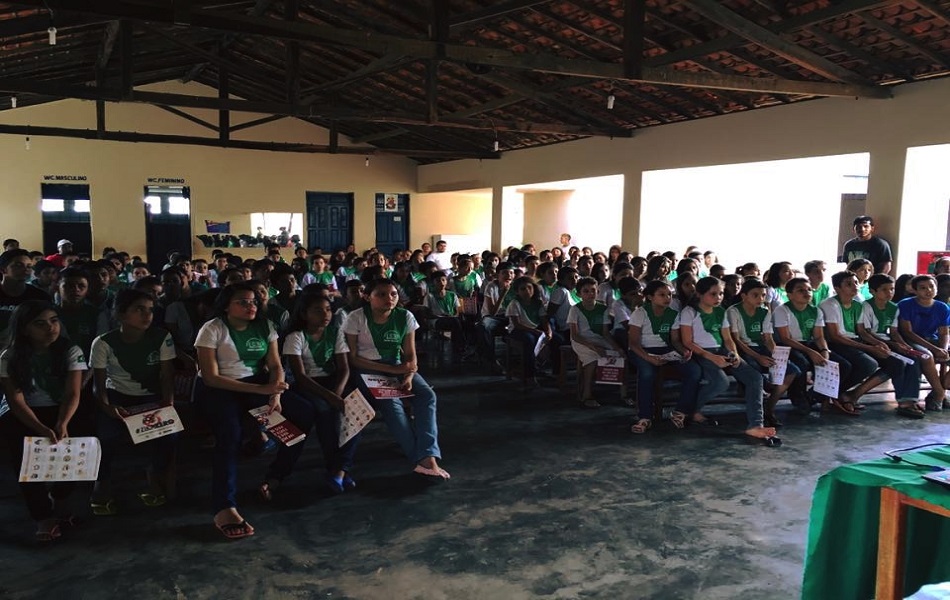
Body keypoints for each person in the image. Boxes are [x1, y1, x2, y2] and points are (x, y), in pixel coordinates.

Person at [193, 282, 306, 539]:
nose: (250, 306)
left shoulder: (265, 326)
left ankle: (275, 476)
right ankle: (224, 506)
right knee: (229, 435)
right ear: (226, 305)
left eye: (253, 301)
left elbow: (276, 365)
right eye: (242, 302)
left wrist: (275, 393)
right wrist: (262, 392)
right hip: (220, 389)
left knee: (303, 415)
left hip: (258, 384)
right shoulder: (212, 329)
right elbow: (210, 377)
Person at [343, 278, 449, 479]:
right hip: (368, 368)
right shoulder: (356, 318)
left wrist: (408, 376)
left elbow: (410, 357)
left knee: (427, 396)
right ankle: (424, 460)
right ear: (367, 297)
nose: (389, 299)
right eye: (381, 294)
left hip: (397, 365)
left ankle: (428, 453)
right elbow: (354, 359)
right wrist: (389, 369)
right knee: (391, 403)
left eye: (393, 294)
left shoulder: (405, 316)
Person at [0, 301, 86, 541]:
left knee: (72, 458)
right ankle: (43, 517)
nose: (50, 328)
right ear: (24, 329)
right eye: (40, 324)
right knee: (28, 467)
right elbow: (15, 400)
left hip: (63, 409)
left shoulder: (71, 350)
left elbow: (72, 394)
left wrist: (62, 423)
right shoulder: (9, 356)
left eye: (54, 320)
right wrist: (40, 428)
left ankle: (61, 503)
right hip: (23, 413)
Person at [89, 289, 177, 514]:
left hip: (151, 396)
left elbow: (166, 376)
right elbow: (99, 384)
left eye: (150, 310)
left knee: (169, 435)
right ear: (120, 314)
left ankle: (154, 474)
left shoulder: (161, 337)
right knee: (106, 437)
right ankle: (102, 482)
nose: (147, 315)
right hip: (117, 395)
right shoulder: (103, 343)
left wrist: (167, 404)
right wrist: (107, 407)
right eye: (139, 309)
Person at [677, 277, 778, 444]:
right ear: (700, 294)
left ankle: (755, 425)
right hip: (701, 353)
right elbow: (687, 342)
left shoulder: (721, 311)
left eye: (721, 294)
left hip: (721, 351)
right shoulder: (690, 312)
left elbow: (728, 338)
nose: (718, 297)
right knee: (720, 383)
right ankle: (691, 410)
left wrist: (734, 354)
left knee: (755, 378)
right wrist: (712, 357)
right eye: (713, 294)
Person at [276, 294, 359, 497]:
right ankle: (336, 469)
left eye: (328, 309)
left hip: (333, 382)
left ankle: (339, 469)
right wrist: (331, 398)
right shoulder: (295, 337)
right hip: (308, 385)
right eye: (318, 310)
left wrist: (337, 393)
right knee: (324, 411)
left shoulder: (335, 332)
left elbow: (344, 369)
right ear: (304, 314)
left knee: (355, 411)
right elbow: (300, 376)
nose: (325, 314)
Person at [820, 271, 901, 412]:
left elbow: (862, 331)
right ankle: (827, 394)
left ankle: (853, 395)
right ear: (837, 288)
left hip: (854, 341)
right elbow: (835, 336)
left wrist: (878, 343)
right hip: (836, 344)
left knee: (896, 362)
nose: (855, 286)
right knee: (868, 364)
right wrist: (869, 348)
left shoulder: (858, 305)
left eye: (856, 282)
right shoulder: (829, 304)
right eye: (849, 284)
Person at [726, 279, 802, 426]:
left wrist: (777, 355)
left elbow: (768, 338)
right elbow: (736, 340)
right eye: (755, 295)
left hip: (761, 348)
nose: (760, 299)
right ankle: (758, 410)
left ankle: (769, 408)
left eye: (763, 295)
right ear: (744, 296)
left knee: (791, 371)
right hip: (743, 349)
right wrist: (758, 357)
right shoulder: (733, 311)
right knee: (754, 369)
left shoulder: (765, 312)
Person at [857, 274, 934, 418]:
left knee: (913, 359)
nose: (889, 293)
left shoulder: (894, 307)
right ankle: (904, 402)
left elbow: (894, 332)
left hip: (887, 342)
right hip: (871, 343)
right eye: (884, 290)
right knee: (900, 362)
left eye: (891, 289)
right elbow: (865, 333)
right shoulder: (866, 306)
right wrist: (891, 344)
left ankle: (910, 399)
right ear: (873, 291)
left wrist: (904, 345)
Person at [627, 280, 699, 433]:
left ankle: (680, 412)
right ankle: (645, 416)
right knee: (647, 373)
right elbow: (633, 343)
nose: (667, 298)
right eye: (662, 295)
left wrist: (683, 351)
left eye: (669, 295)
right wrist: (649, 358)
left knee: (694, 371)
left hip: (665, 350)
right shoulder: (640, 313)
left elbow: (675, 340)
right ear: (650, 297)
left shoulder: (673, 314)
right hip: (642, 350)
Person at [773, 278, 852, 415]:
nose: (807, 293)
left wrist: (824, 350)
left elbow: (818, 337)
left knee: (843, 365)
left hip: (808, 344)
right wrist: (811, 352)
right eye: (801, 290)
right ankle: (798, 397)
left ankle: (814, 395)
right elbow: (785, 339)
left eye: (809, 289)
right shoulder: (782, 310)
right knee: (801, 363)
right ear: (790, 295)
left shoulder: (816, 311)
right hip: (787, 346)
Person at [898, 275, 950, 411]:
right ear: (914, 290)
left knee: (943, 354)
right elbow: (907, 332)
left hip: (933, 339)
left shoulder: (942, 307)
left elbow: (944, 332)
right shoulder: (905, 305)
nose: (928, 290)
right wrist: (934, 348)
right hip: (911, 340)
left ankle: (939, 389)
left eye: (932, 286)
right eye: (923, 288)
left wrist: (943, 349)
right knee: (926, 356)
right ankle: (940, 393)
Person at [569, 277, 624, 407]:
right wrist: (594, 348)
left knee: (621, 356)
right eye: (586, 291)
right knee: (593, 359)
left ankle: (623, 394)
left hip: (599, 339)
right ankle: (587, 394)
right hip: (581, 341)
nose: (590, 294)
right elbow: (575, 335)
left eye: (593, 290)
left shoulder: (603, 309)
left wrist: (617, 348)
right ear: (579, 294)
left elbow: (605, 333)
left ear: (597, 291)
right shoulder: (575, 309)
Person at [506, 276, 551, 385]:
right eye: (523, 289)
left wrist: (549, 331)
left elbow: (544, 320)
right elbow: (517, 324)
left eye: (529, 288)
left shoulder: (538, 303)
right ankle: (529, 375)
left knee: (557, 339)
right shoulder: (514, 303)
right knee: (529, 340)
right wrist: (535, 331)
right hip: (518, 330)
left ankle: (552, 370)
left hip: (534, 329)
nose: (527, 291)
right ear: (517, 291)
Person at [0, 249, 52, 342]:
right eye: (18, 265)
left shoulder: (40, 297)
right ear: (3, 269)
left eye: (29, 266)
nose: (26, 270)